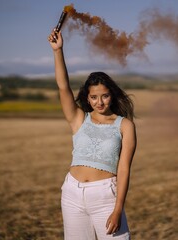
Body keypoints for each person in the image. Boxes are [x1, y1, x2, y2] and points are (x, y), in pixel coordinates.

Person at [48, 29, 137, 240]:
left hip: (105, 197)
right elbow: (63, 87)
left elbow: (124, 169)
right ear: (88, 99)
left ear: (111, 96)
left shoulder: (125, 125)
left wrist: (117, 209)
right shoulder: (79, 118)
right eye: (94, 97)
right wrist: (57, 51)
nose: (100, 102)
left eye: (105, 96)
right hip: (72, 194)